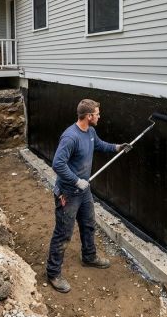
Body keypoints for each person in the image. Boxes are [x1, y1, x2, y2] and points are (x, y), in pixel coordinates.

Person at [46, 99, 131, 293]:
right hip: (68, 192)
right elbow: (58, 164)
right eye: (97, 114)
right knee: (63, 234)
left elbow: (100, 145)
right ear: (89, 116)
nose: (100, 116)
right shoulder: (70, 137)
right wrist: (76, 181)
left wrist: (118, 147)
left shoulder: (90, 132)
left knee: (88, 224)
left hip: (84, 192)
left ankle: (89, 256)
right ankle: (53, 273)